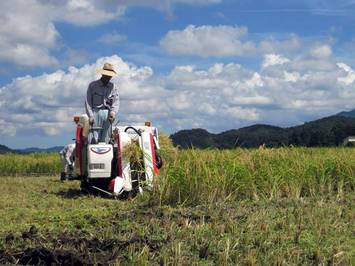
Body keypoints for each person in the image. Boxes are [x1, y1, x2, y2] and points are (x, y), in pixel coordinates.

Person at [85, 63, 119, 144]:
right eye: (107, 75)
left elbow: (116, 102)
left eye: (110, 76)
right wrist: (91, 116)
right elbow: (88, 102)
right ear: (102, 74)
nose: (108, 77)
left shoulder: (113, 87)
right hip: (95, 113)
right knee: (94, 138)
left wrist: (113, 113)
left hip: (108, 114)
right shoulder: (93, 85)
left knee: (106, 139)